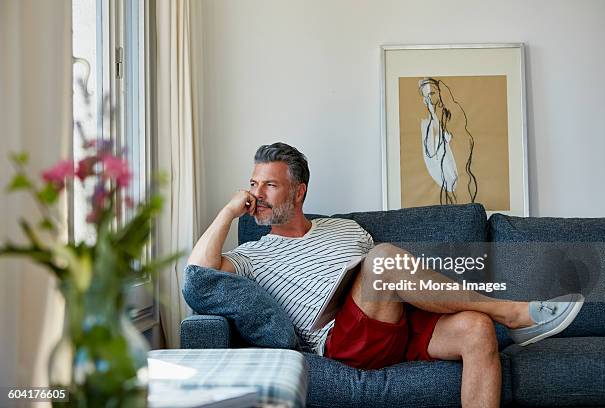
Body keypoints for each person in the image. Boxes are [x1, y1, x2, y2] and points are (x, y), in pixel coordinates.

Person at [188, 142, 584, 408]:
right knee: (381, 259)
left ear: (299, 192)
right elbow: (199, 273)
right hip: (345, 339)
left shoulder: (345, 228)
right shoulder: (252, 255)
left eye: (270, 185)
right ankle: (512, 312)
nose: (257, 194)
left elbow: (391, 281)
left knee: (478, 329)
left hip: (396, 320)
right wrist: (227, 211)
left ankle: (496, 316)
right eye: (254, 184)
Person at [419, 77, 477, 205]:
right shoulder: (427, 124)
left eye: (432, 94)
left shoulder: (452, 113)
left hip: (460, 177)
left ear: (440, 93)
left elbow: (462, 141)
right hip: (446, 182)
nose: (429, 99)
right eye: (425, 96)